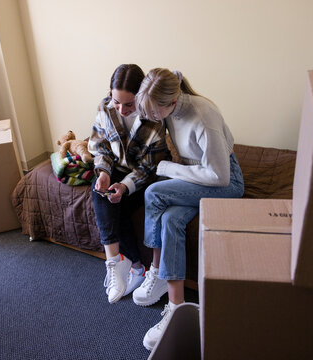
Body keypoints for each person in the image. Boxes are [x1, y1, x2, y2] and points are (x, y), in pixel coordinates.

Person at [133, 68, 244, 350]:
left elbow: (221, 177)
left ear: (171, 103)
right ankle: (176, 307)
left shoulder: (204, 117)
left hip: (226, 183)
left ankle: (156, 270)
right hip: (198, 175)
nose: (153, 118)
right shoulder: (168, 104)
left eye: (155, 112)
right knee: (170, 220)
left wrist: (171, 169)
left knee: (155, 192)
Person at [88, 64, 169, 304]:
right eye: (116, 102)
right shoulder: (104, 109)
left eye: (129, 104)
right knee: (99, 190)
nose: (122, 109)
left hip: (142, 177)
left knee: (118, 202)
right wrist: (103, 171)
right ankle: (117, 262)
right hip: (115, 169)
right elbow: (99, 147)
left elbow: (148, 169)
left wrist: (124, 186)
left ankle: (133, 266)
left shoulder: (154, 122)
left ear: (140, 98)